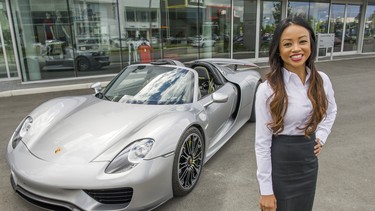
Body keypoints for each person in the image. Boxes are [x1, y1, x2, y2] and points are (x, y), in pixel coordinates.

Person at [255, 16, 337, 211]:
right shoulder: (268, 89)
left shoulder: (322, 80)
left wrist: (322, 136)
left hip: (308, 161)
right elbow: (262, 142)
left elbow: (331, 110)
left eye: (302, 41)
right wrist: (266, 190)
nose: (296, 49)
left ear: (311, 44)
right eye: (287, 44)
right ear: (278, 49)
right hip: (281, 162)